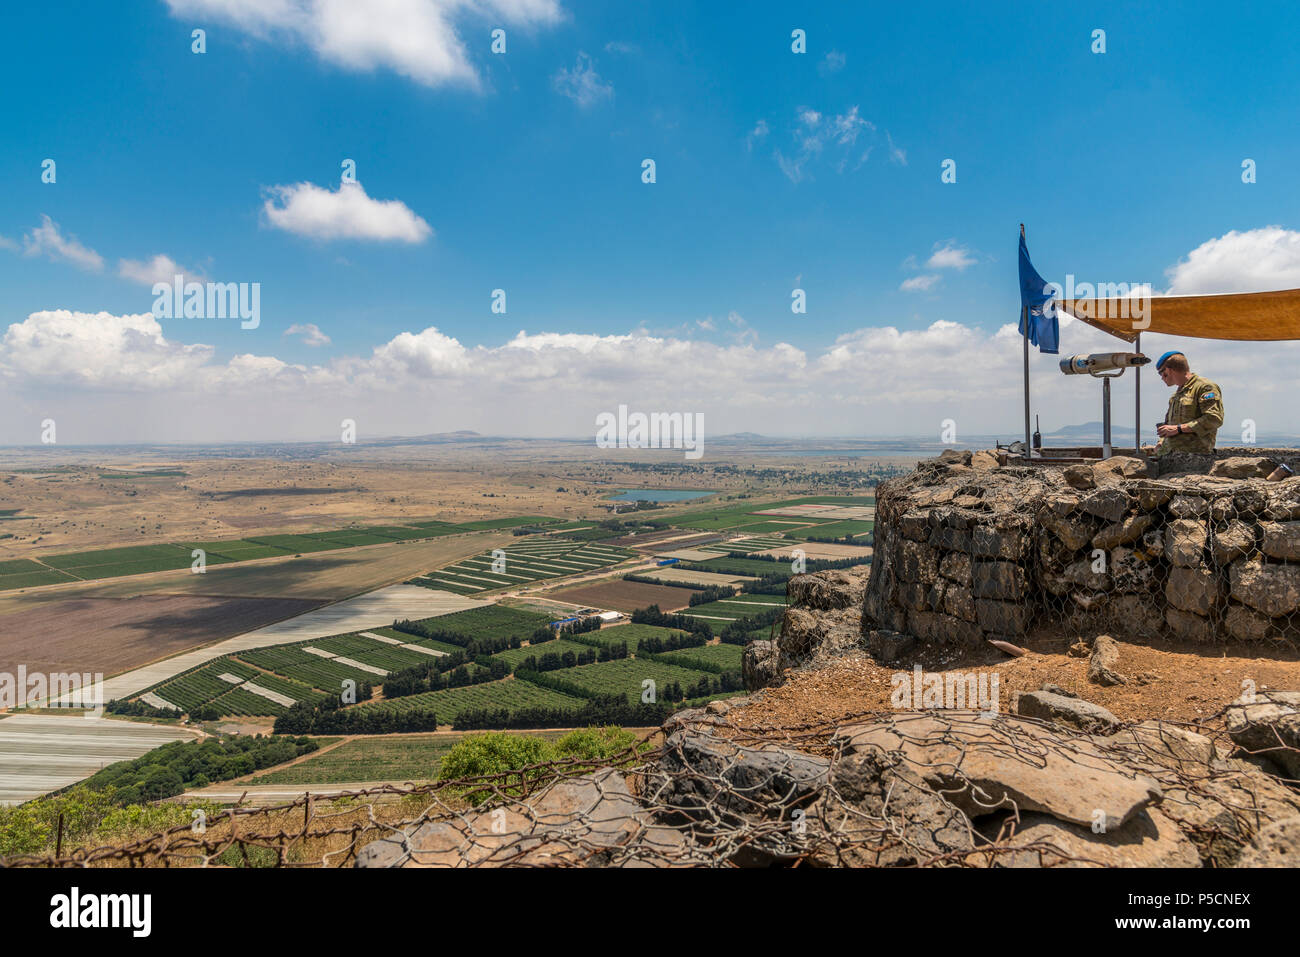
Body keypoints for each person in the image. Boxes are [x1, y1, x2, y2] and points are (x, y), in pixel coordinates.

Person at [1144, 351, 1223, 456]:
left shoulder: (1204, 387)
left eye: (1161, 373)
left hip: (1194, 457)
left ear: (1168, 370)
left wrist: (1179, 429)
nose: (1162, 378)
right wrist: (1161, 442)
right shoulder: (1176, 396)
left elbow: (1214, 419)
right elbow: (1169, 427)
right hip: (1170, 456)